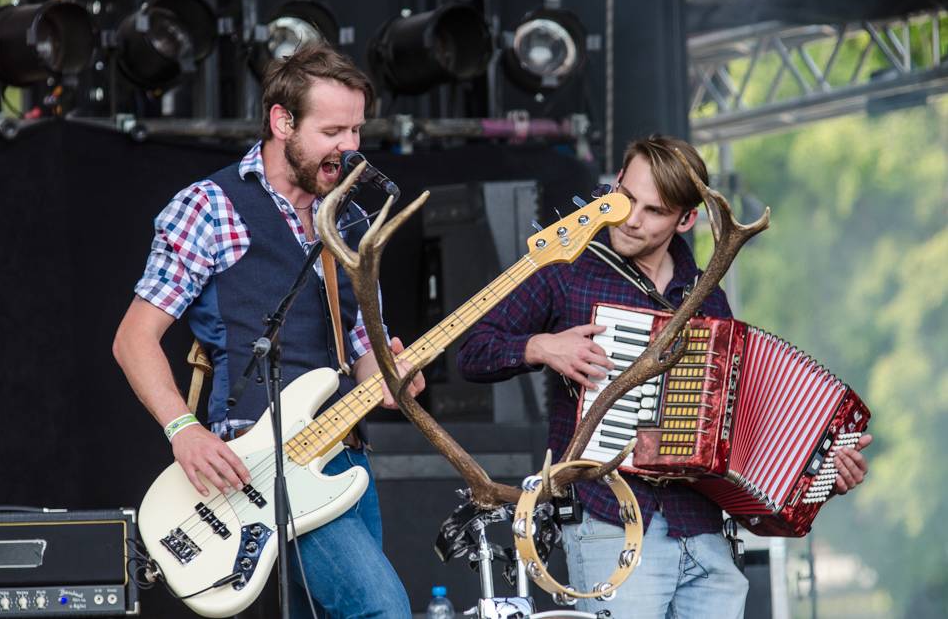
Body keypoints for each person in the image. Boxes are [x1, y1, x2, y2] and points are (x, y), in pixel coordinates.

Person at [457, 134, 871, 617]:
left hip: (703, 530)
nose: (631, 219)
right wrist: (541, 346)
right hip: (611, 521)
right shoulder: (566, 268)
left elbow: (740, 428)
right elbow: (472, 351)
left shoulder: (705, 295)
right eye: (626, 198)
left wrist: (818, 468)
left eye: (654, 211)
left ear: (686, 219)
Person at [112, 43, 423, 618]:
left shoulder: (351, 219)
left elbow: (358, 350)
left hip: (344, 457)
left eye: (357, 130)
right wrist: (184, 429)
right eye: (333, 130)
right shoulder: (211, 206)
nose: (350, 147)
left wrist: (387, 373)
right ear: (283, 122)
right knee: (382, 609)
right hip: (258, 461)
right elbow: (134, 339)